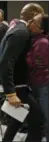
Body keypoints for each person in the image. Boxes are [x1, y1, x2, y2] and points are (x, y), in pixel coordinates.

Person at [0, 3, 45, 142]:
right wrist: (11, 93)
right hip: (14, 86)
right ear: (35, 14)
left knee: (17, 119)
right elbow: (6, 62)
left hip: (12, 83)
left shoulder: (17, 27)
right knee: (37, 121)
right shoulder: (21, 32)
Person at [26, 14, 49, 142]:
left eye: (33, 21)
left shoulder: (42, 43)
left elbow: (36, 64)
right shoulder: (36, 40)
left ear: (41, 29)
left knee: (47, 119)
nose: (30, 22)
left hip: (43, 85)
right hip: (38, 85)